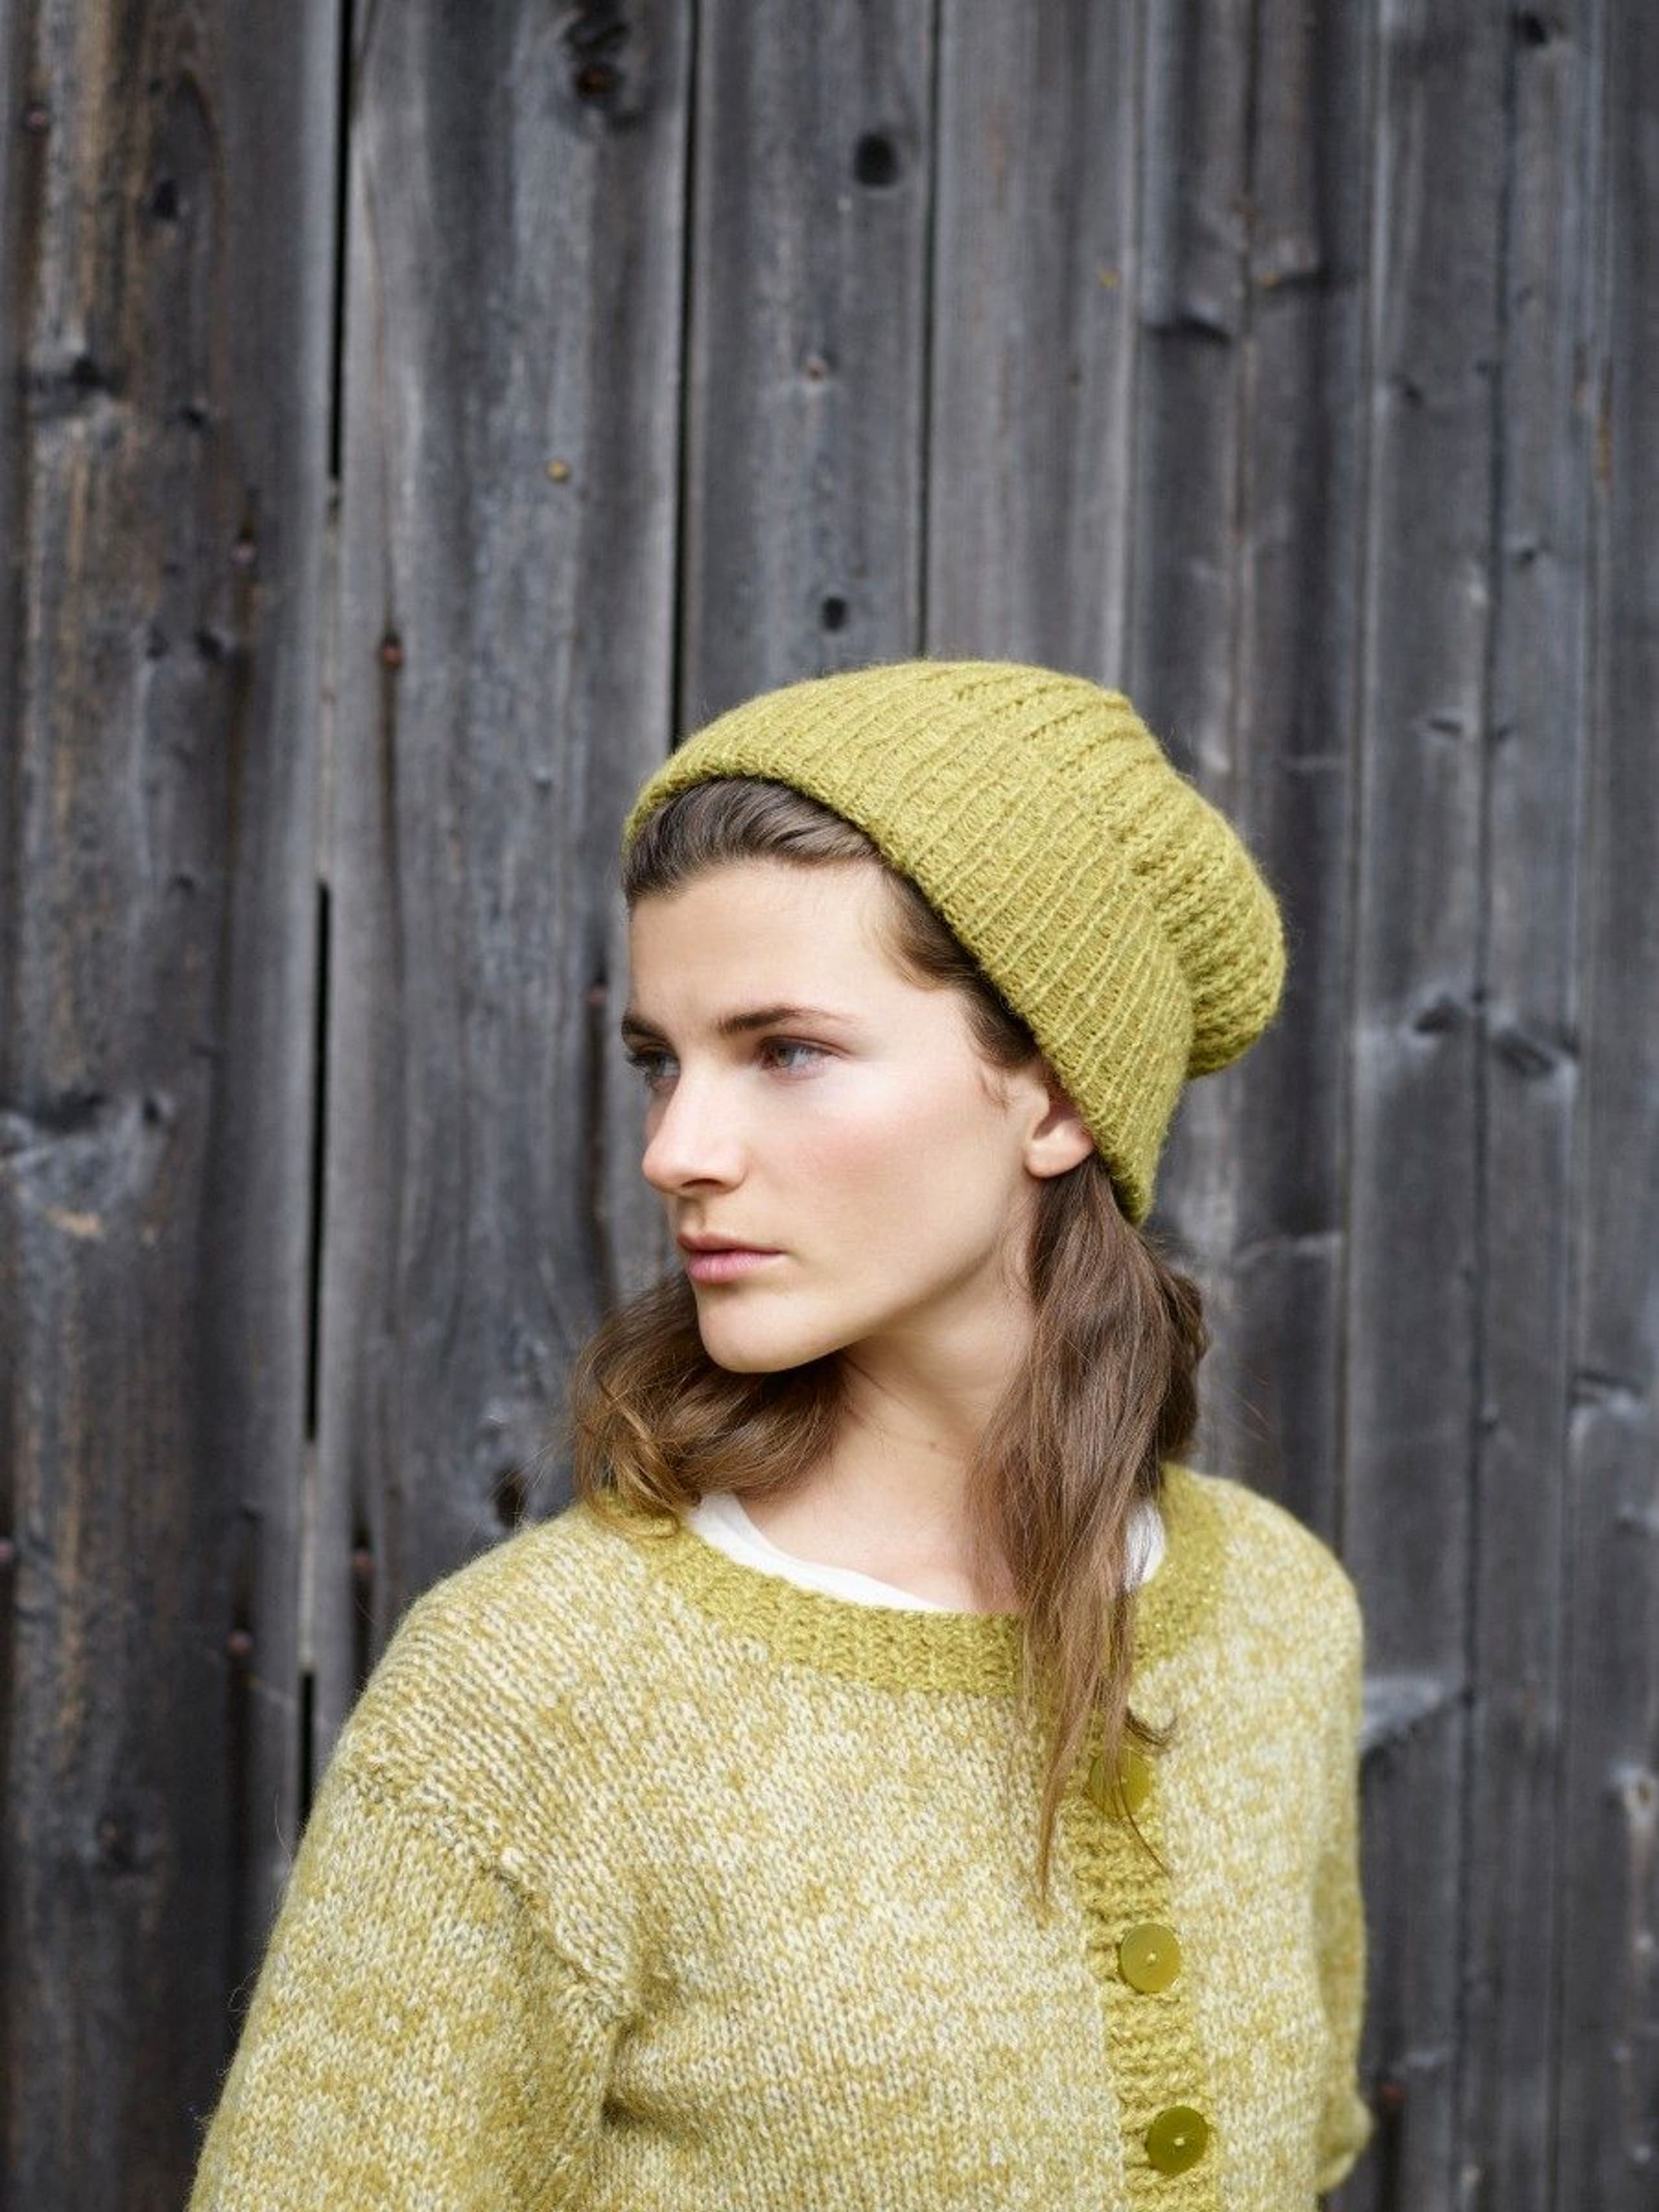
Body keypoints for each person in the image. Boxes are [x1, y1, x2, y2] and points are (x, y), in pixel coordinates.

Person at [187, 658, 1375, 2209]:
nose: (676, 1150)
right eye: (659, 1062)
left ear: (1051, 1097)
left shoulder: (1279, 1615)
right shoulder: (535, 1696)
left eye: (786, 1051)